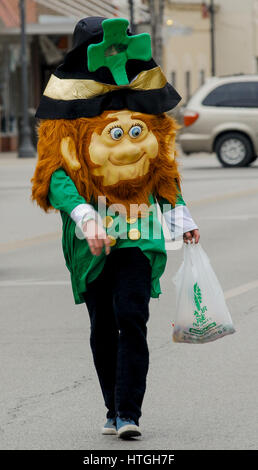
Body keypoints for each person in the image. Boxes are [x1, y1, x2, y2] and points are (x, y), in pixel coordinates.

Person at [31, 16, 200, 440]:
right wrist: (85, 217)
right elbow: (55, 175)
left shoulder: (144, 99)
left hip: (138, 229)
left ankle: (129, 413)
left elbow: (162, 165)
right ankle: (112, 406)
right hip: (92, 235)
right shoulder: (65, 111)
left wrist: (179, 215)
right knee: (103, 326)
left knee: (131, 316)